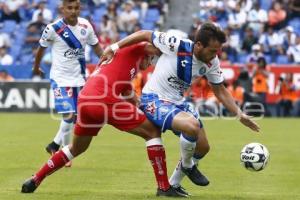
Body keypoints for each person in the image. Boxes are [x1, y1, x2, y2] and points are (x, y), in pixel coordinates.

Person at [101, 22, 260, 195]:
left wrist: (239, 114)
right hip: (154, 99)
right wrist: (114, 46)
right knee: (192, 126)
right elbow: (146, 33)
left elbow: (220, 90)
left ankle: (172, 186)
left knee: (203, 147)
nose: (216, 55)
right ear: (199, 45)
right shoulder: (177, 44)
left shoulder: (212, 62)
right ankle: (188, 165)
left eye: (218, 51)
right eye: (213, 50)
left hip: (177, 102)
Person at [21, 42, 186, 197]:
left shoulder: (125, 65)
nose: (151, 63)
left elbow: (132, 98)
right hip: (102, 99)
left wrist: (154, 112)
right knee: (152, 132)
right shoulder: (135, 49)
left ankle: (35, 179)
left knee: (76, 148)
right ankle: (164, 187)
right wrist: (180, 52)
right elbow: (153, 44)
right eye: (151, 59)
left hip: (86, 100)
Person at [32, 0, 103, 167]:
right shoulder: (53, 29)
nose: (73, 11)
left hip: (79, 78)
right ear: (62, 9)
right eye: (69, 8)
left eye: (76, 8)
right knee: (69, 115)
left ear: (80, 8)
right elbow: (41, 48)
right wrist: (36, 67)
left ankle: (54, 145)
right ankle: (63, 150)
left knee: (77, 117)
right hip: (60, 79)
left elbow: (97, 48)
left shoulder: (86, 26)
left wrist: (107, 61)